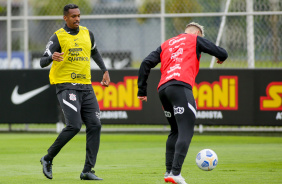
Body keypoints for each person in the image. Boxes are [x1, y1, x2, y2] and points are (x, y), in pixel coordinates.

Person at [137, 22, 228, 184]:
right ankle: (176, 173)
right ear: (198, 34)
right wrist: (221, 57)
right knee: (186, 130)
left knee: (175, 131)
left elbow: (145, 63)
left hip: (163, 90)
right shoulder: (195, 39)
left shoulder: (166, 44)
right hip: (180, 86)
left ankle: (168, 172)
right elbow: (222, 52)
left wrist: (142, 90)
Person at [39, 4, 110, 180]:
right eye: (73, 16)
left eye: (78, 15)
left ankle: (87, 170)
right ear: (65, 18)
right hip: (66, 85)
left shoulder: (87, 33)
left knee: (95, 125)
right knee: (74, 125)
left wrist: (105, 70)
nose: (77, 19)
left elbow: (95, 52)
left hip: (86, 86)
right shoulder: (58, 36)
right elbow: (42, 61)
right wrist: (51, 57)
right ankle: (47, 158)